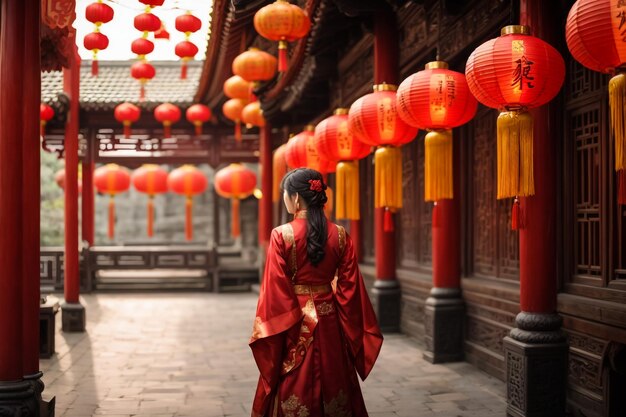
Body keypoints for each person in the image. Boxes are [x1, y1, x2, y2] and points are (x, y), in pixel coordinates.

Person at [250, 168, 383, 417]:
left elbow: (275, 289)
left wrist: (278, 326)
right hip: (330, 318)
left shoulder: (281, 235)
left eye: (286, 194)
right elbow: (350, 290)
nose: (285, 199)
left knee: (292, 379)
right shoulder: (341, 235)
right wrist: (346, 324)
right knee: (335, 375)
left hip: (294, 320)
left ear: (297, 198)